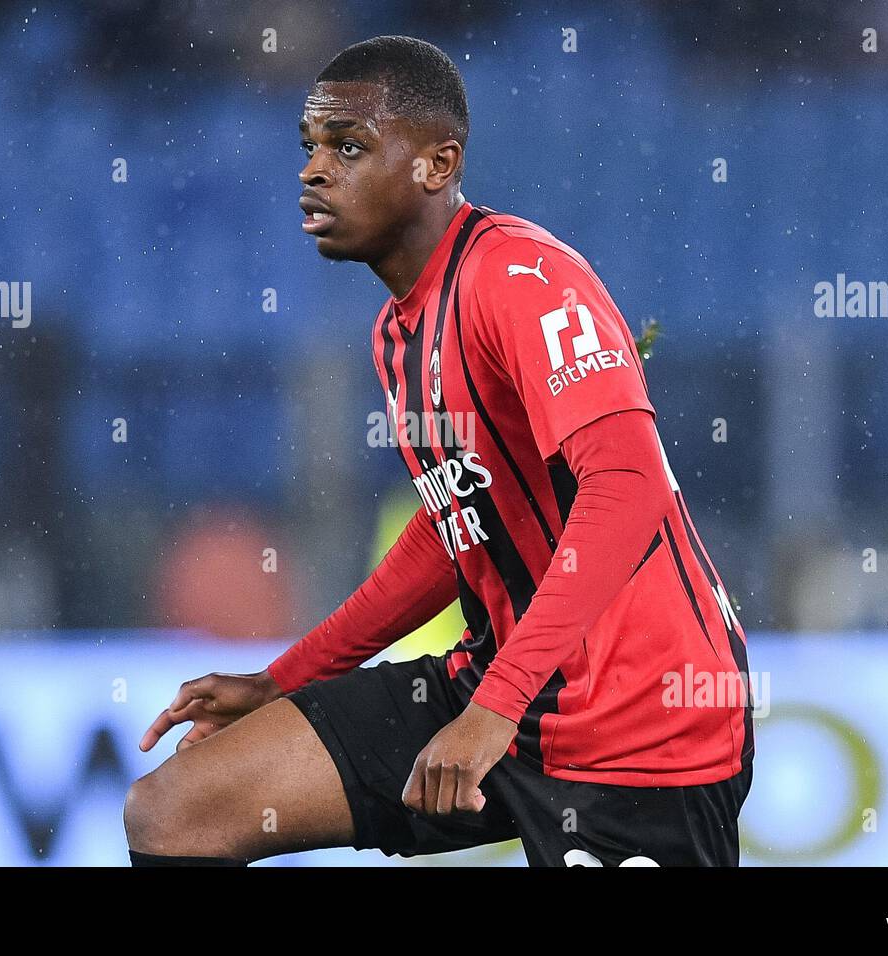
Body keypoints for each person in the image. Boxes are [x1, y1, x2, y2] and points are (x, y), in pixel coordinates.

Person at [125, 34, 753, 868]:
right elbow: (455, 520)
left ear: (436, 163)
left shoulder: (523, 279)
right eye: (309, 148)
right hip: (502, 686)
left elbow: (628, 484)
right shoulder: (397, 333)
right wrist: (286, 678)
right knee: (177, 811)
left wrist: (494, 708)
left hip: (636, 717)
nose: (313, 171)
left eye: (347, 147)